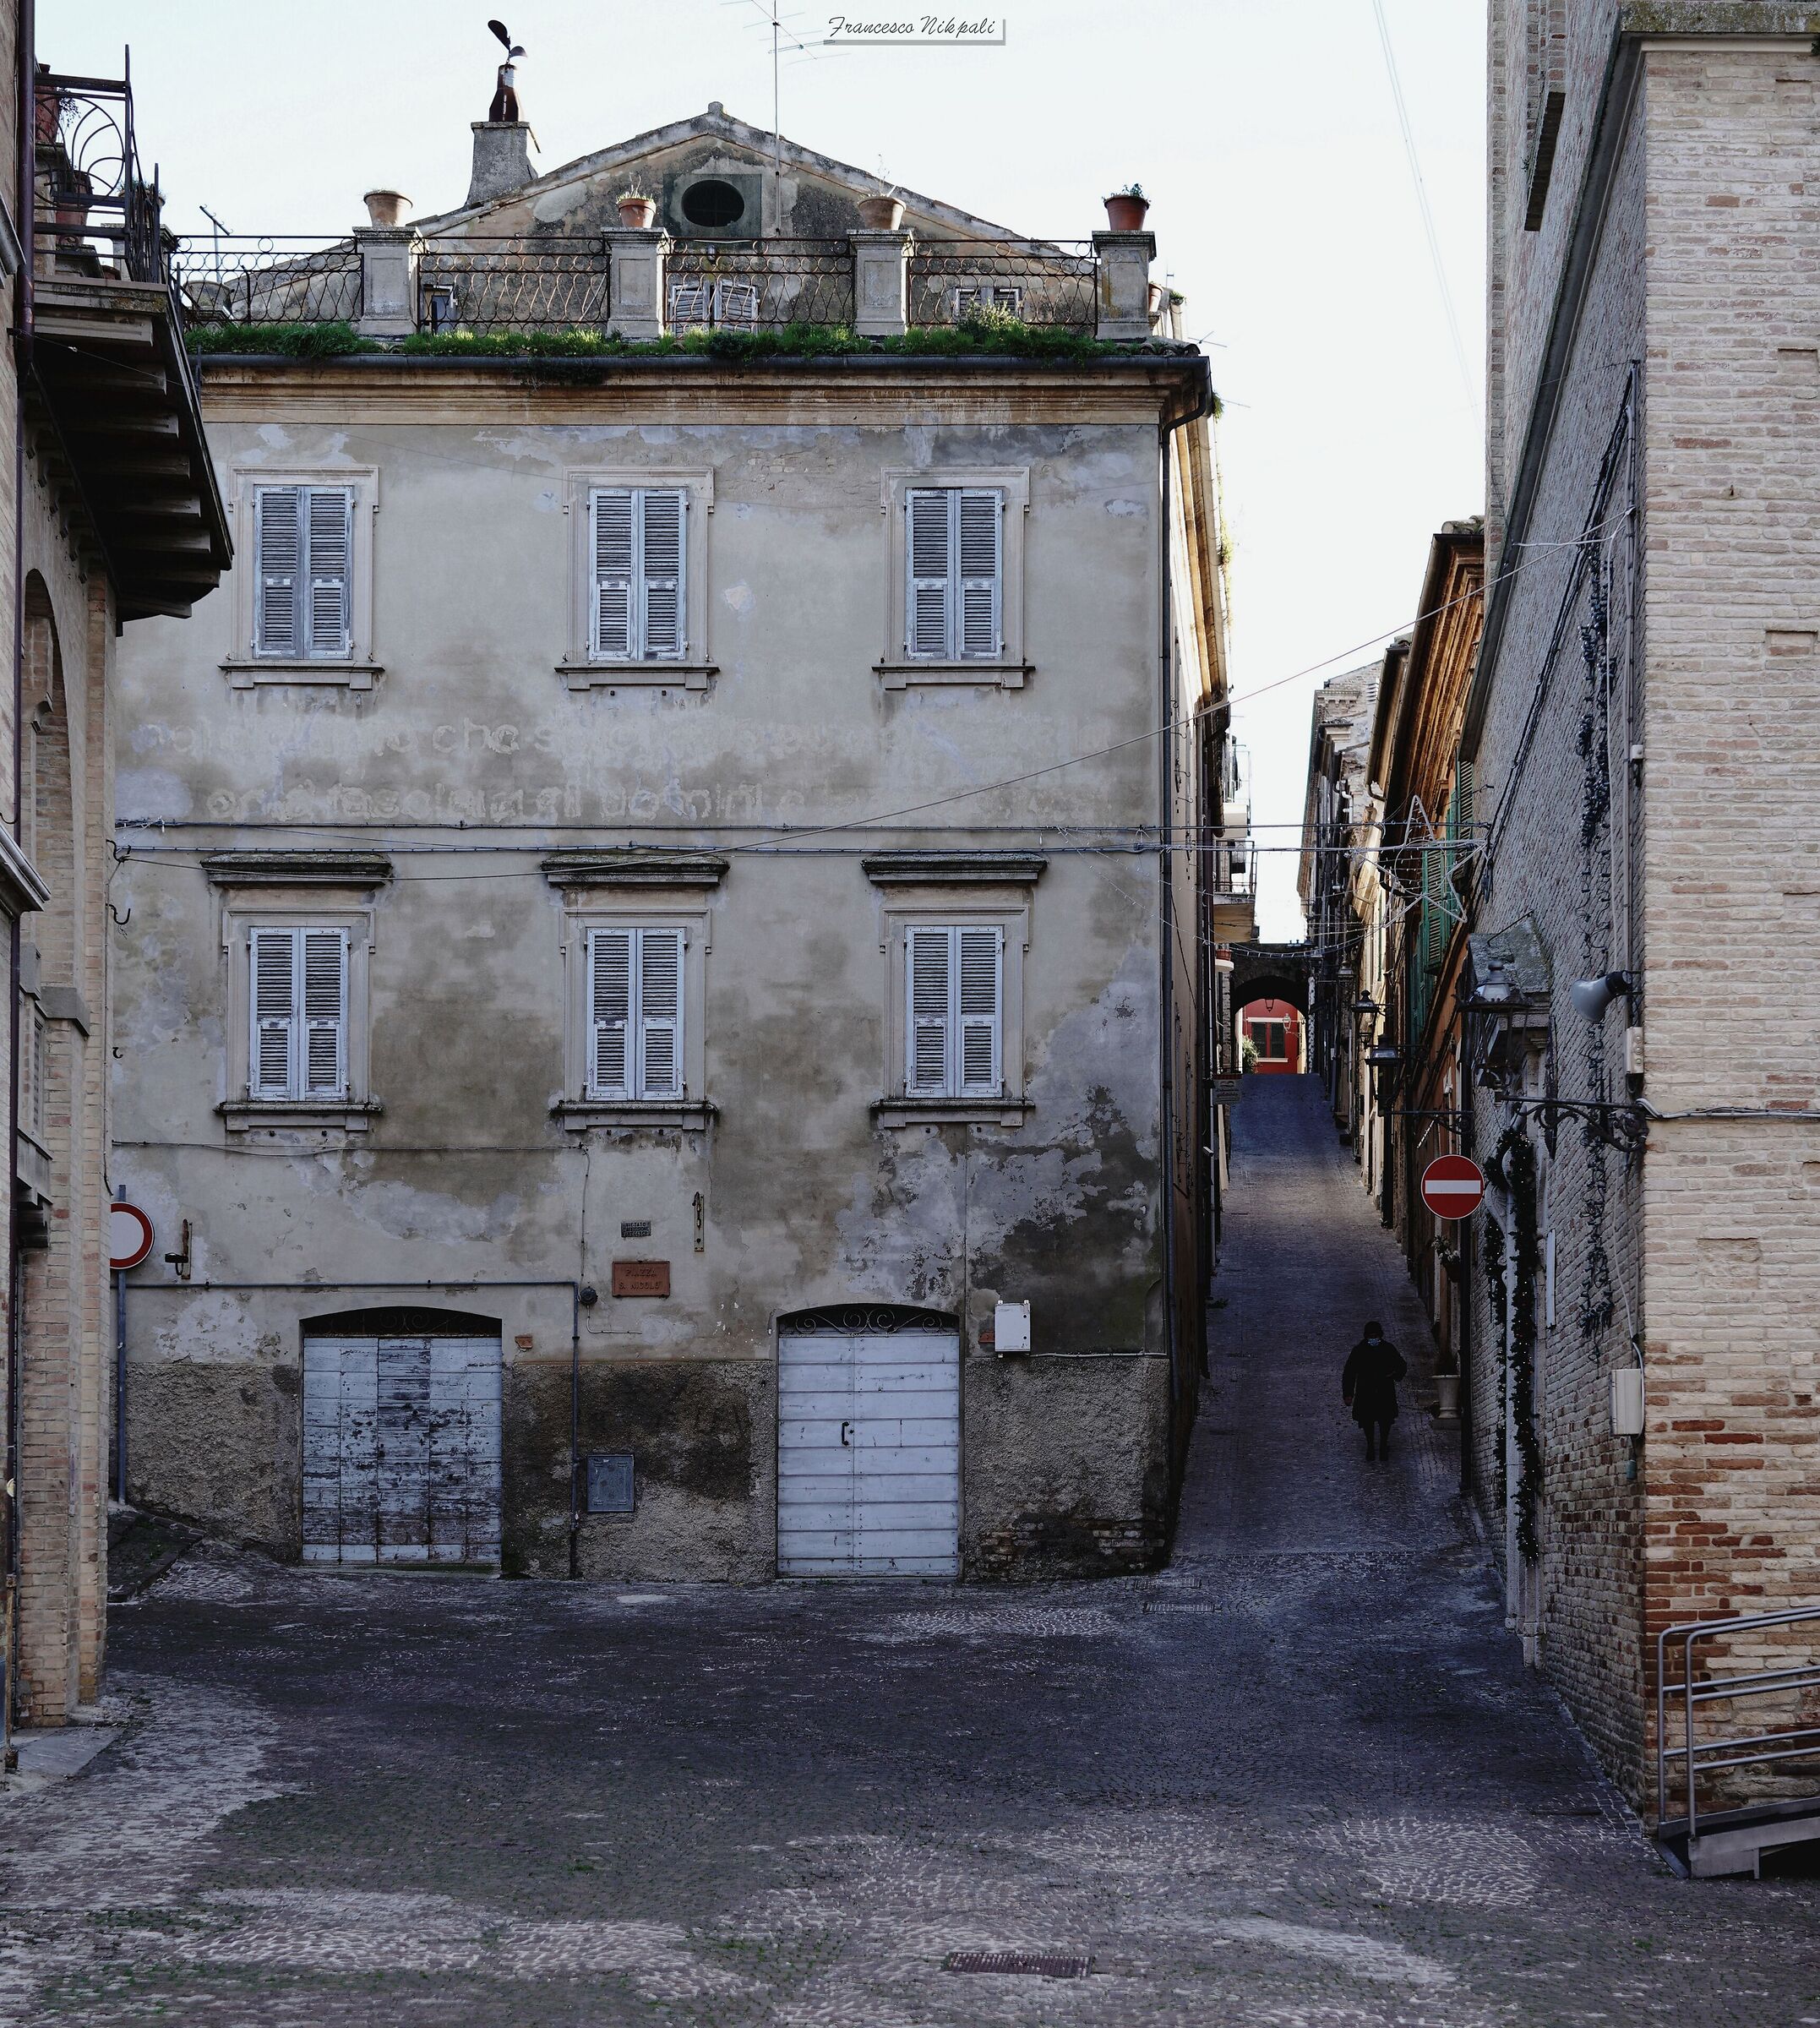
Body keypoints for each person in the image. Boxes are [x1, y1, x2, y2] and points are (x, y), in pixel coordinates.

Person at [1342, 1320, 1407, 1463]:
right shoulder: (1359, 1351)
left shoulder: (1388, 1349)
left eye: (1375, 1336)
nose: (1373, 1339)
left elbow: (1401, 1365)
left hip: (1384, 1390)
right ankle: (1371, 1446)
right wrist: (1348, 1394)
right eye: (1371, 1336)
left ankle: (1383, 1446)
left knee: (1385, 1421)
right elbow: (1349, 1373)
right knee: (1367, 1421)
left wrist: (1394, 1374)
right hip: (1366, 1391)